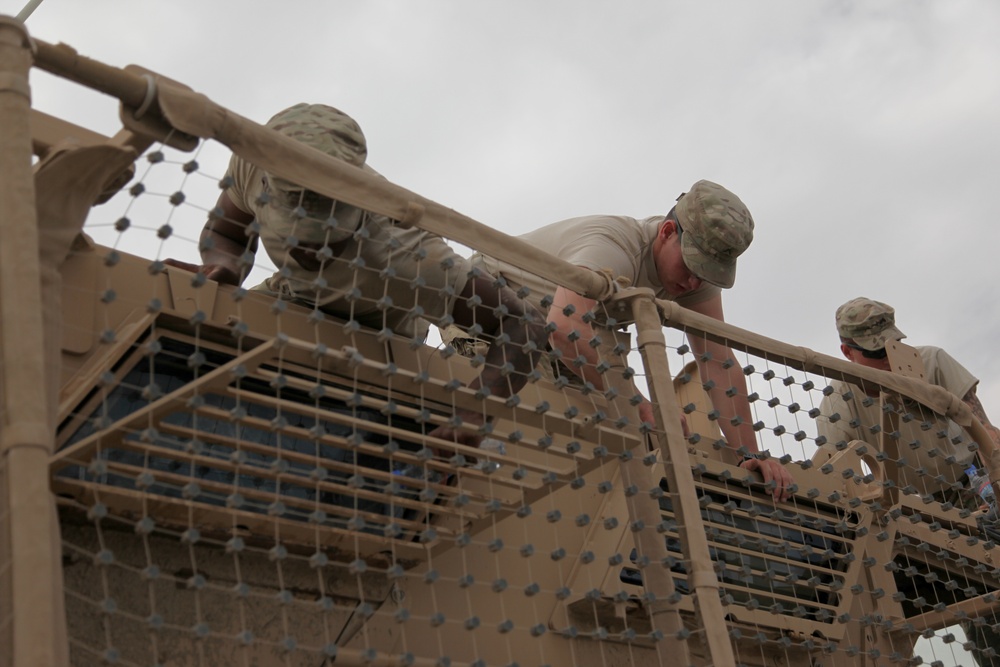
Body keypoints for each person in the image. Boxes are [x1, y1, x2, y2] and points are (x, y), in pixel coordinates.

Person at [165, 103, 544, 446]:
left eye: (328, 236)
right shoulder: (259, 159)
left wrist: (475, 411)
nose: (310, 249)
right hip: (291, 299)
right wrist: (226, 267)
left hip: (380, 340)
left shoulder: (413, 258)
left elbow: (524, 324)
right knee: (191, 343)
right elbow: (226, 232)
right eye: (295, 233)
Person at [470, 181, 794, 502]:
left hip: (552, 342)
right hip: (489, 312)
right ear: (667, 232)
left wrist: (749, 454)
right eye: (693, 264)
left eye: (708, 272)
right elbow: (565, 325)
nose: (695, 280)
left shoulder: (694, 281)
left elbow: (718, 360)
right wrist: (643, 405)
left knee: (604, 432)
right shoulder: (613, 247)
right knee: (529, 433)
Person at [812, 297, 1000, 499]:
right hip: (911, 506)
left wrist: (995, 482)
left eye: (893, 345)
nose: (888, 357)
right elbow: (836, 473)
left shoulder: (931, 361)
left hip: (975, 479)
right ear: (848, 352)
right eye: (876, 351)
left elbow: (987, 431)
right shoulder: (838, 400)